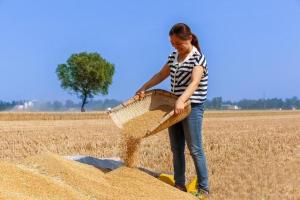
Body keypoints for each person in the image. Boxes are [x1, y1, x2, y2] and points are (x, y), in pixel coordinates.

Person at [135, 23, 209, 199]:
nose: (175, 46)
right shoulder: (174, 56)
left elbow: (194, 83)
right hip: (174, 106)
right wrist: (144, 86)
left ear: (189, 39)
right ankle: (179, 185)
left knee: (195, 148)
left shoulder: (198, 59)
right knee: (176, 148)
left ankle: (204, 188)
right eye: (172, 43)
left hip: (192, 106)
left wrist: (182, 100)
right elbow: (161, 75)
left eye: (178, 43)